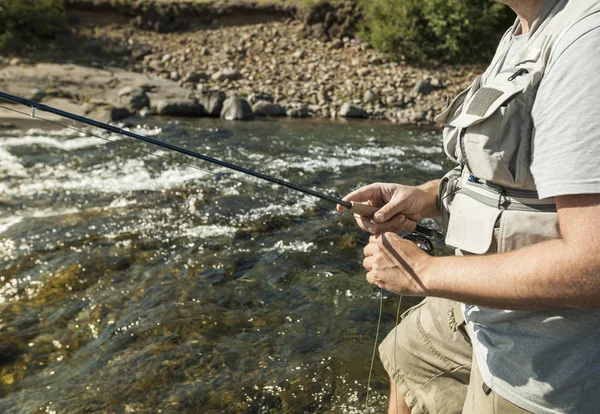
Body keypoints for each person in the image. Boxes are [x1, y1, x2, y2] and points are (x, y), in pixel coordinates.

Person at [337, 0, 600, 412]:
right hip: (484, 306)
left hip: (546, 358)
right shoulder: (521, 32)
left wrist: (424, 272)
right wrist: (426, 197)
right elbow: (501, 181)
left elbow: (594, 265)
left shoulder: (588, 45)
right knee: (408, 352)